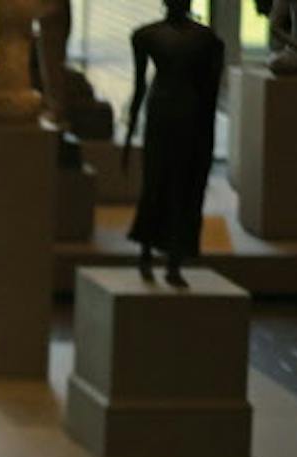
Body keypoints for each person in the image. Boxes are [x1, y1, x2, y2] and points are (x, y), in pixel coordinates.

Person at [124, 0, 224, 287]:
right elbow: (139, 86)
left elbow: (210, 93)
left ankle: (173, 260)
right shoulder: (147, 35)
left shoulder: (207, 40)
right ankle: (146, 254)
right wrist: (131, 131)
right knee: (156, 183)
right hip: (163, 116)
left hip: (190, 118)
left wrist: (208, 138)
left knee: (184, 187)